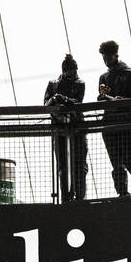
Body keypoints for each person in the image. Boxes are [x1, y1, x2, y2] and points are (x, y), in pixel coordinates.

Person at [96, 40, 131, 196]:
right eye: (104, 58)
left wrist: (121, 100)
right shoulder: (104, 76)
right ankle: (124, 191)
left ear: (115, 55)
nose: (106, 61)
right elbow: (100, 101)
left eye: (108, 58)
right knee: (117, 162)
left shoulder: (129, 73)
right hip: (112, 123)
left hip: (124, 122)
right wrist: (104, 97)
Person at [44, 54, 87, 202]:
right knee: (63, 166)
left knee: (79, 164)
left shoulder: (80, 83)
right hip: (61, 126)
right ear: (64, 70)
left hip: (75, 126)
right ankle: (66, 197)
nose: (74, 74)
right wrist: (54, 99)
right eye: (71, 71)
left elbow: (78, 102)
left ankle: (79, 195)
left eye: (74, 71)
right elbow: (46, 105)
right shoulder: (53, 84)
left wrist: (63, 99)